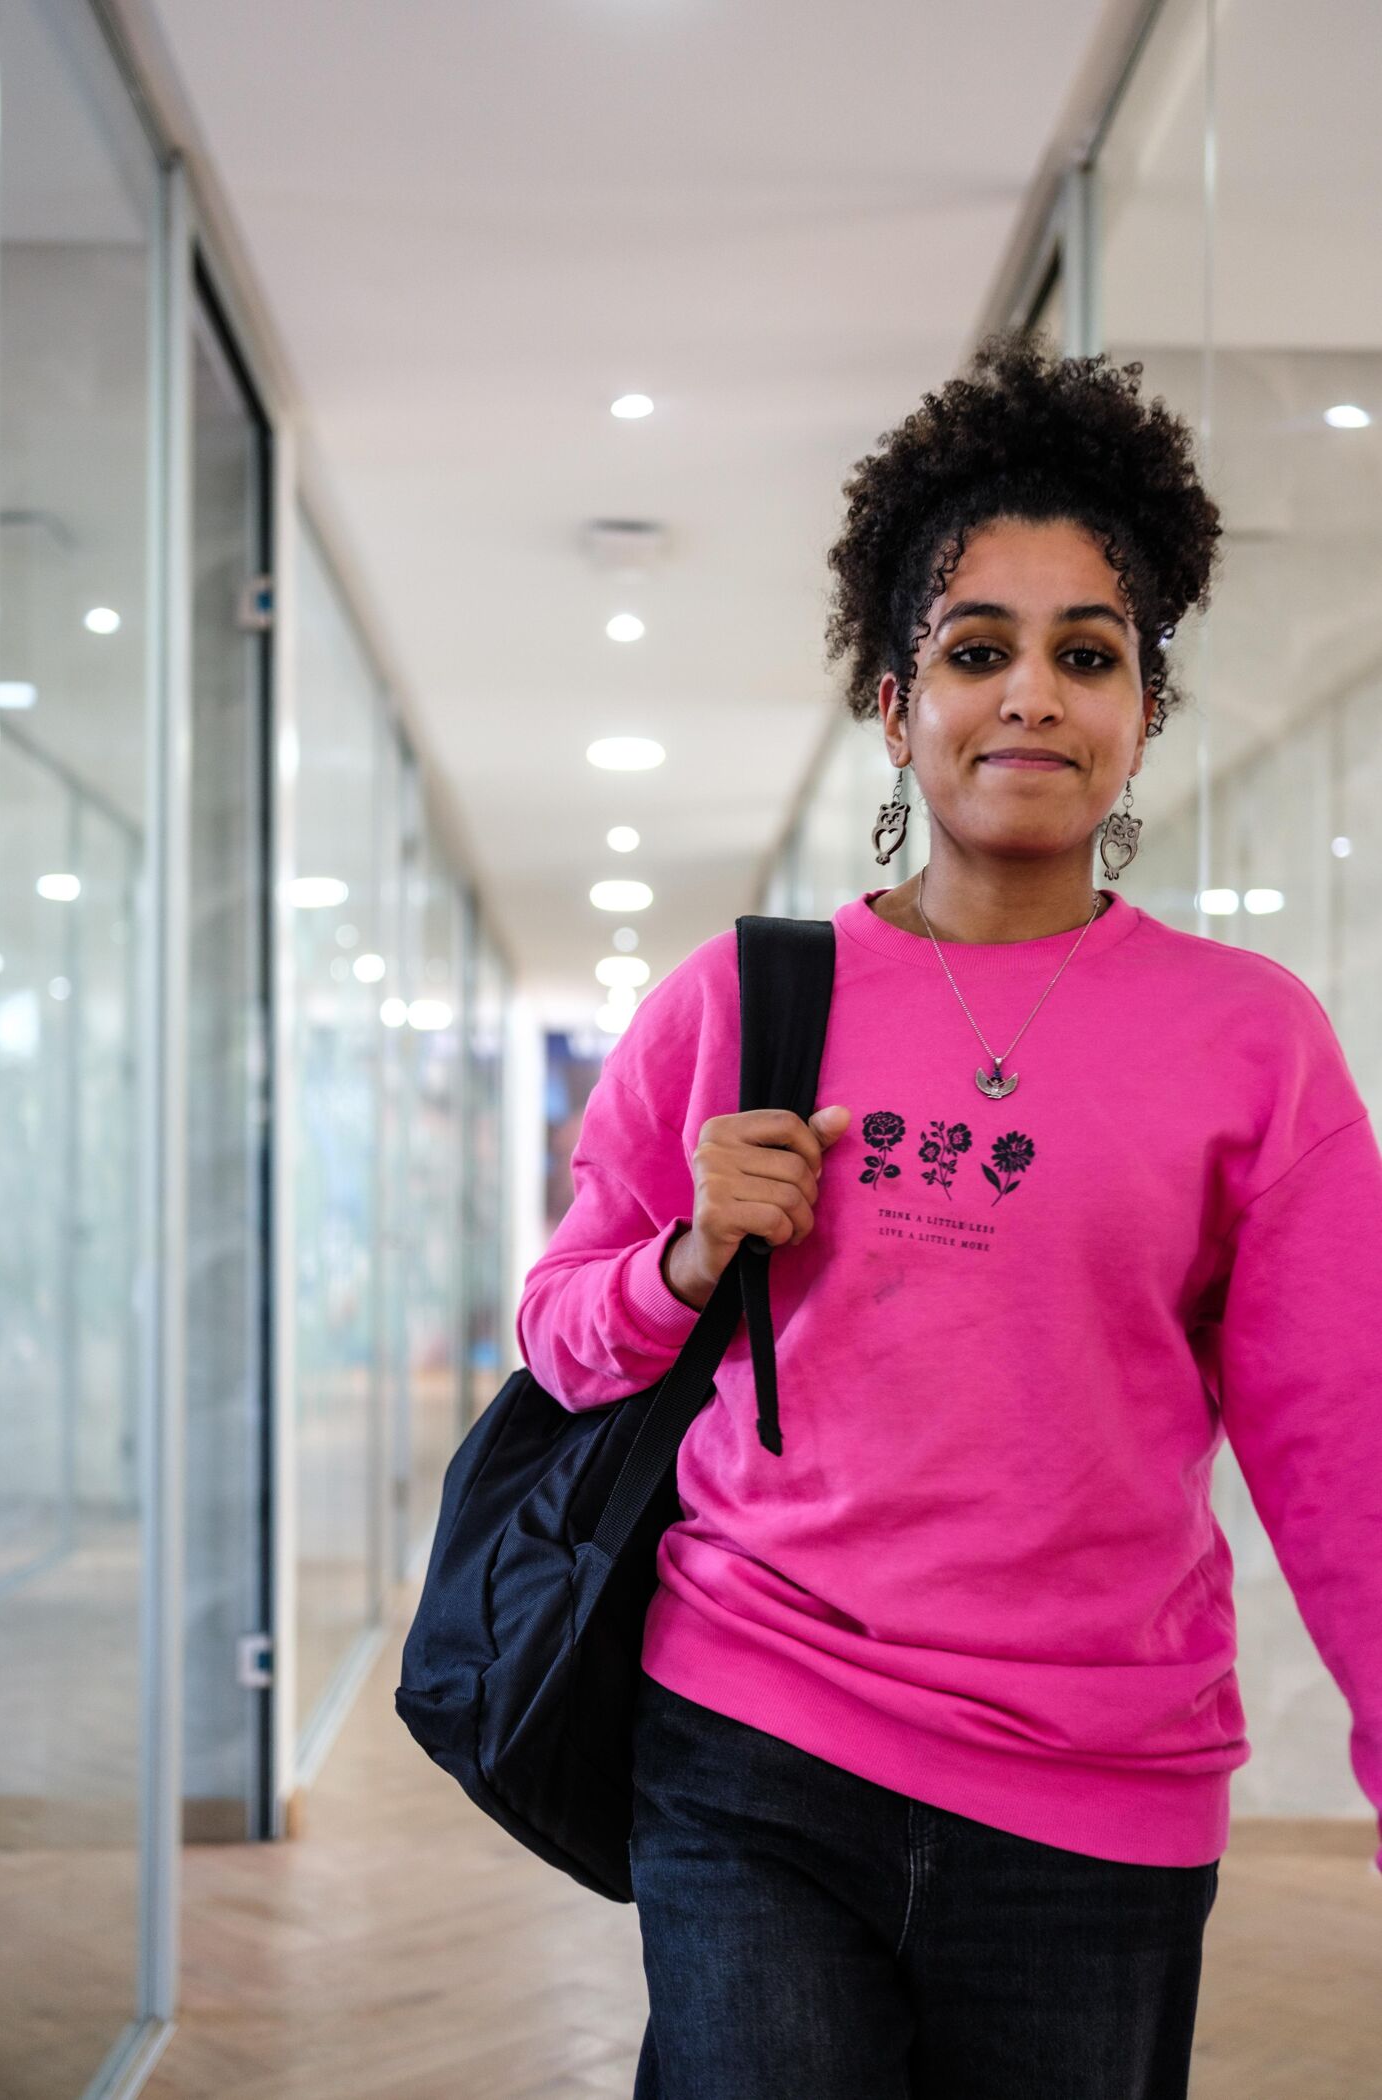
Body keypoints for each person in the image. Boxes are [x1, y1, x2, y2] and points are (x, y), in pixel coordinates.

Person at [514, 329, 1382, 2100]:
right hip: (755, 1728)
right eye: (977, 651)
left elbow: (1338, 1428)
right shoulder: (741, 1000)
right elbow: (560, 1329)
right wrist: (687, 1258)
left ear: (1146, 711)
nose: (1034, 698)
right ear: (899, 706)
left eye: (1090, 654)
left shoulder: (1252, 1043)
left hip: (1099, 1783)